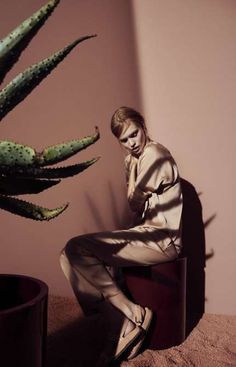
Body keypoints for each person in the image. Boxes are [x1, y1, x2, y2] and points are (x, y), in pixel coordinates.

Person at [60, 106, 183, 363]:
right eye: (124, 140)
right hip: (143, 234)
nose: (131, 143)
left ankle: (131, 313)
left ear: (143, 126)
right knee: (66, 256)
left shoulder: (155, 154)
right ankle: (119, 320)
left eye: (134, 134)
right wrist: (131, 169)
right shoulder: (132, 160)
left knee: (76, 248)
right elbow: (135, 206)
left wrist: (133, 178)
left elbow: (135, 202)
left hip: (163, 239)